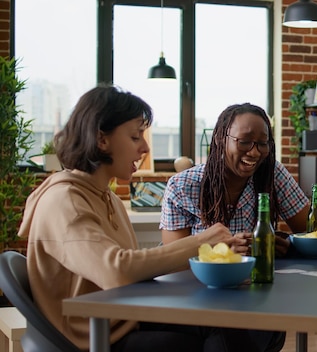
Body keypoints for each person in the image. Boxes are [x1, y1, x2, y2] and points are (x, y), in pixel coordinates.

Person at [17, 85, 283, 352]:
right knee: (223, 332)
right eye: (135, 137)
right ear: (102, 139)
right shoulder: (64, 201)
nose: (145, 147)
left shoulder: (105, 196)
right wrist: (203, 243)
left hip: (124, 319)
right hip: (97, 337)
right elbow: (117, 270)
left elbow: (129, 266)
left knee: (246, 323)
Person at [160, 103, 309, 256]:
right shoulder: (182, 186)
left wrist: (289, 246)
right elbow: (173, 259)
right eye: (244, 142)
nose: (254, 152)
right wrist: (224, 253)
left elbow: (313, 232)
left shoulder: (273, 174)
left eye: (263, 144)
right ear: (220, 138)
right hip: (204, 280)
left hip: (261, 278)